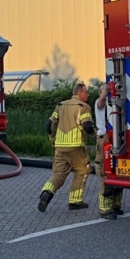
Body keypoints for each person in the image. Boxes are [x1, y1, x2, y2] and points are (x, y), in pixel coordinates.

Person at [37, 83, 96, 212]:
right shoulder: (83, 107)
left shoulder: (60, 105)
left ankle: (47, 192)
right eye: (86, 92)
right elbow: (87, 126)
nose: (88, 94)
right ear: (80, 93)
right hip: (75, 147)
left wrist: (53, 140)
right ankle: (75, 202)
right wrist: (97, 136)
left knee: (58, 174)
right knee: (82, 171)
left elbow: (49, 125)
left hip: (60, 147)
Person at [94, 84, 124, 220]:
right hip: (105, 139)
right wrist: (105, 92)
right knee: (105, 173)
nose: (107, 91)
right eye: (104, 89)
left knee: (119, 172)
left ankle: (116, 206)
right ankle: (105, 209)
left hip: (117, 137)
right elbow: (100, 102)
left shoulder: (114, 104)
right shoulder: (100, 103)